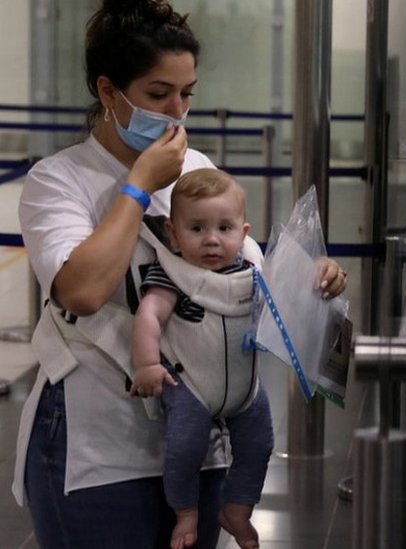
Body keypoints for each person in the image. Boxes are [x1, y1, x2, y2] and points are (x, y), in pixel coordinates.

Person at [14, 1, 347, 548]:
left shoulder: (197, 172)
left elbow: (248, 273)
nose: (176, 111)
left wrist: (317, 278)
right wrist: (139, 183)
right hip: (97, 446)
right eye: (156, 94)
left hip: (196, 441)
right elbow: (85, 289)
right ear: (107, 91)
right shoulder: (58, 181)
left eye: (187, 93)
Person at [130, 169, 270, 549]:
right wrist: (147, 364)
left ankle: (238, 510)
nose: (211, 240)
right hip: (190, 383)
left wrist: (319, 275)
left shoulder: (251, 273)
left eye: (224, 228)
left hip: (245, 389)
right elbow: (149, 315)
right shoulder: (175, 274)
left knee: (259, 444)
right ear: (173, 234)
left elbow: (287, 300)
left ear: (243, 234)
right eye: (197, 229)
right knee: (185, 448)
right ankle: (186, 514)